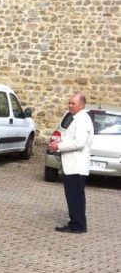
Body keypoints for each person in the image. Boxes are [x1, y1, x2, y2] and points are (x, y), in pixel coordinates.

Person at [47, 92, 94, 234]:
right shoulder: (77, 118)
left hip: (76, 166)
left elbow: (79, 143)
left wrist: (59, 146)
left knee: (75, 197)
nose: (70, 106)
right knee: (76, 197)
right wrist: (60, 142)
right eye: (69, 103)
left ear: (82, 105)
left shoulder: (82, 119)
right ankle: (78, 223)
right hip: (73, 165)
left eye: (73, 103)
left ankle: (77, 225)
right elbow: (74, 139)